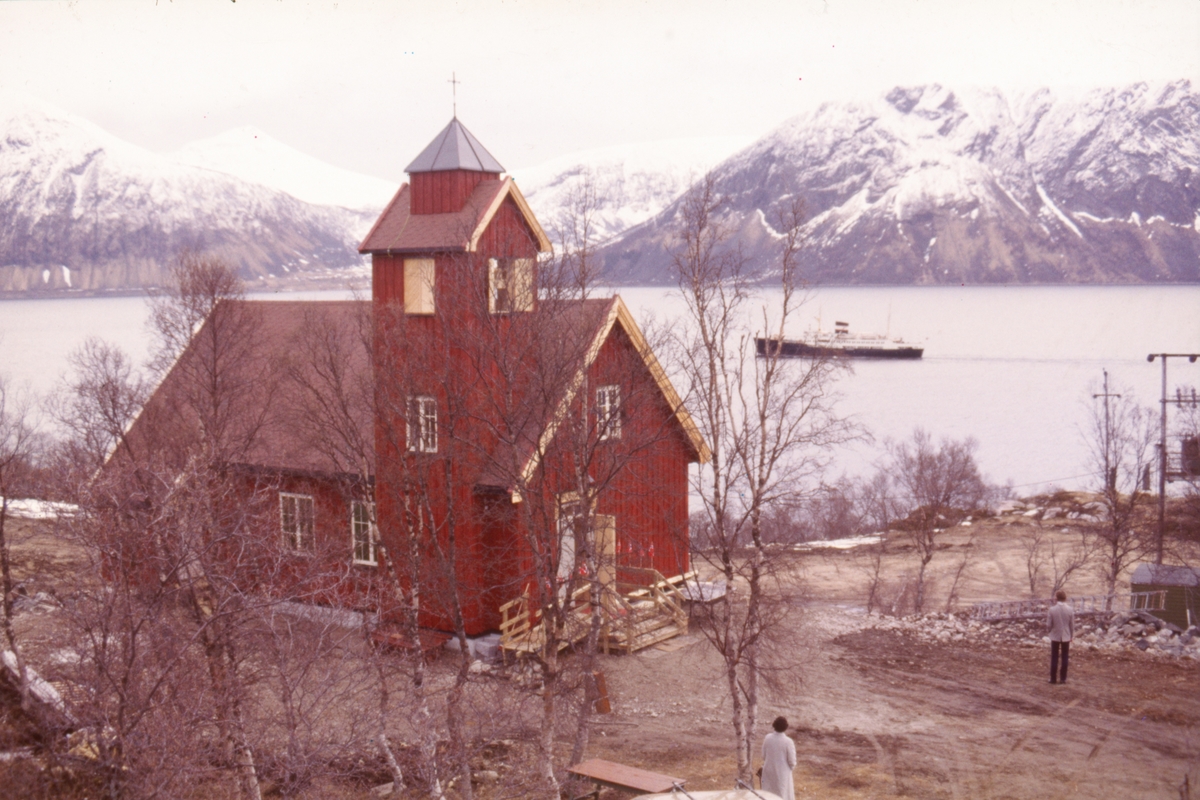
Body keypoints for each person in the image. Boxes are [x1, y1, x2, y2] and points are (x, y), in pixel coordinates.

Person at [760, 715, 797, 800]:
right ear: (785, 727)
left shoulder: (767, 738)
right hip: (782, 773)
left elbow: (763, 756)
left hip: (768, 771)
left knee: (768, 794)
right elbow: (792, 762)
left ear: (774, 725)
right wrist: (789, 768)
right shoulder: (788, 742)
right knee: (782, 795)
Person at [1047, 589, 1074, 684]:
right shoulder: (1070, 609)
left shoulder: (1052, 610)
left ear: (1057, 598)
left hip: (1055, 635)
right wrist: (1071, 636)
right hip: (1066, 635)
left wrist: (1049, 631)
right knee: (1065, 657)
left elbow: (1049, 625)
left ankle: (1053, 678)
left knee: (1054, 657)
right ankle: (1063, 678)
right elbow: (1072, 625)